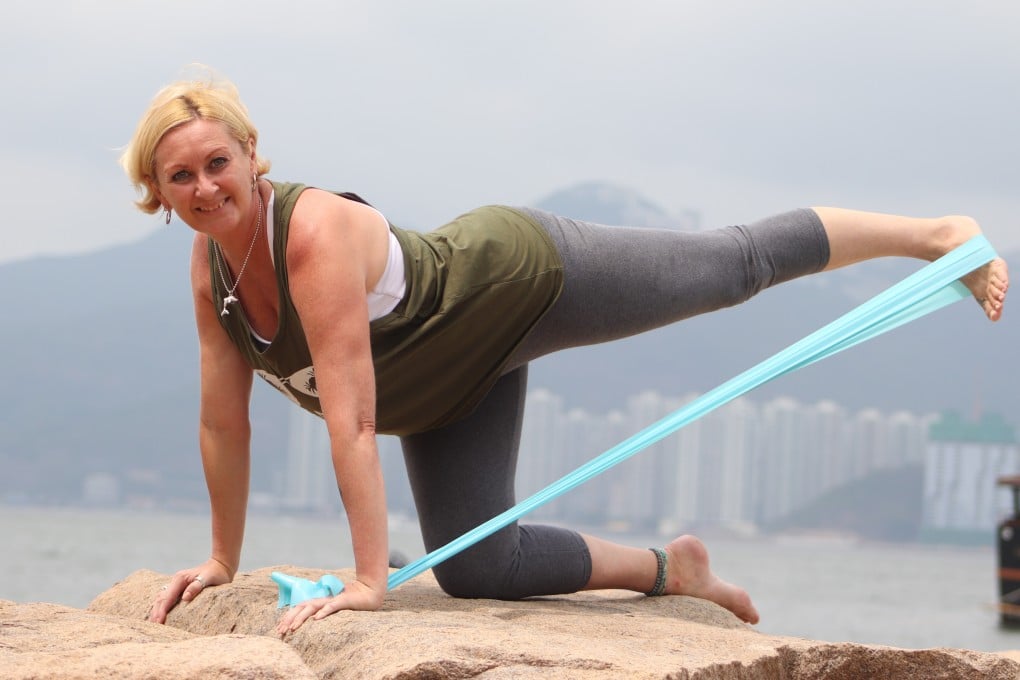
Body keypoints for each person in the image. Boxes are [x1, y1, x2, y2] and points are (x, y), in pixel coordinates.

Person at [122, 73, 1008, 635]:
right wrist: (221, 563)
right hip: (449, 391)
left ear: (251, 156)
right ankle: (674, 569)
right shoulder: (213, 279)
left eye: (217, 162)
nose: (205, 188)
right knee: (477, 570)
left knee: (728, 266)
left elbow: (351, 422)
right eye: (181, 177)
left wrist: (366, 582)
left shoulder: (306, 236)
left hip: (519, 279)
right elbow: (220, 425)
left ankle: (932, 232)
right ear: (158, 195)